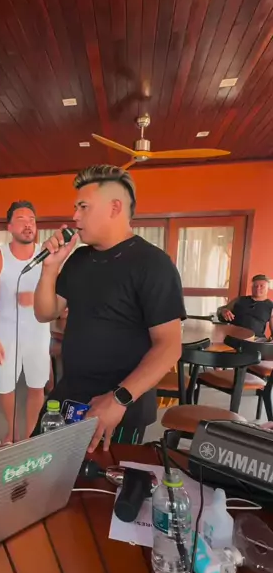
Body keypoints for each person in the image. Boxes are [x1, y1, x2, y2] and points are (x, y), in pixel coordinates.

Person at [33, 165, 186, 453]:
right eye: (75, 207)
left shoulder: (153, 264)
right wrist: (50, 269)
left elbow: (169, 346)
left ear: (114, 207)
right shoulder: (79, 259)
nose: (75, 216)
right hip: (69, 394)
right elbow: (45, 312)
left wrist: (118, 399)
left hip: (119, 404)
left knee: (99, 479)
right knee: (38, 468)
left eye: (83, 207)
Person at [0, 201, 51, 443]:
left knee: (37, 385)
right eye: (21, 220)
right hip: (5, 332)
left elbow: (59, 293)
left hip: (38, 333)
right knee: (5, 385)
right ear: (10, 227)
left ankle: (31, 435)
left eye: (32, 220)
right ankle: (12, 432)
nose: (28, 224)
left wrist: (37, 298)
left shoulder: (47, 256)